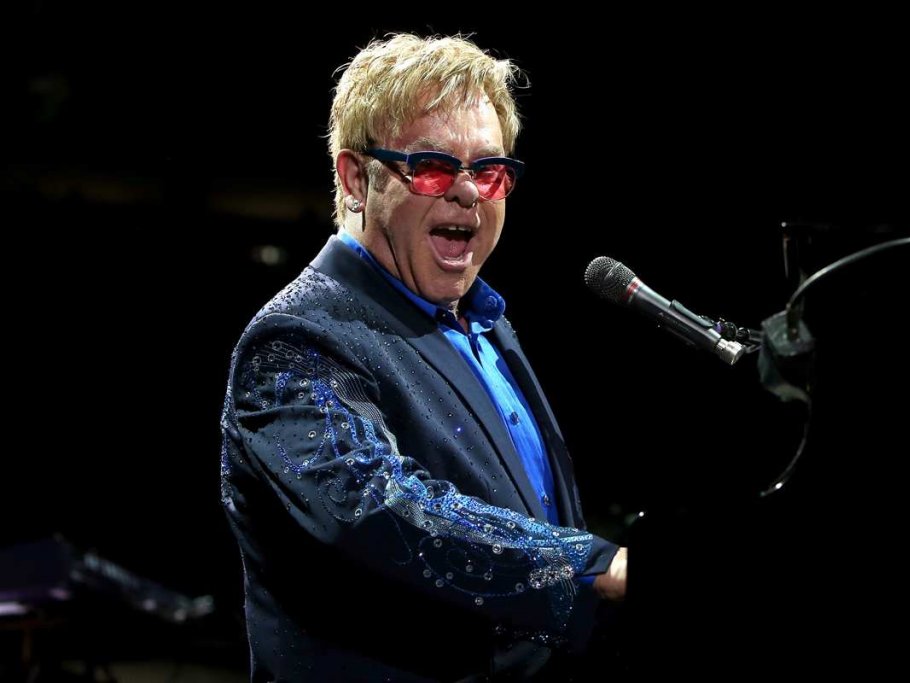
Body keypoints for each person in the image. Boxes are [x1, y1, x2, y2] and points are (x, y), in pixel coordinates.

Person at [220, 33, 627, 682]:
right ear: (355, 178)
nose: (468, 193)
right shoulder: (297, 337)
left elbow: (531, 517)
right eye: (434, 166)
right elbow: (378, 508)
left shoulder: (487, 322)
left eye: (489, 172)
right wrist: (594, 564)